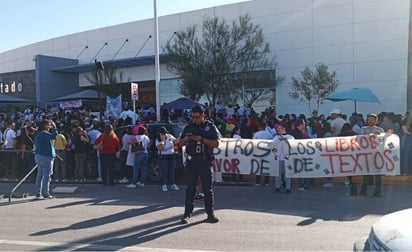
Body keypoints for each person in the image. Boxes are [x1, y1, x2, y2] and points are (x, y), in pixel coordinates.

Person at [179, 104, 220, 224]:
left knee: (207, 189)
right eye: (193, 117)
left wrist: (201, 139)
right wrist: (186, 140)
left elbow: (216, 143)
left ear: (203, 115)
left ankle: (210, 214)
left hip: (205, 160)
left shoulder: (210, 127)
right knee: (190, 189)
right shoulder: (189, 127)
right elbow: (180, 143)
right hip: (192, 161)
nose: (195, 119)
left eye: (197, 117)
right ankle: (187, 214)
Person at [359, 113, 385, 197]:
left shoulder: (380, 130)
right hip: (366, 154)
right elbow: (361, 138)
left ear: (376, 120)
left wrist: (379, 136)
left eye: (371, 119)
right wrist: (372, 136)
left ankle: (378, 191)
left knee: (378, 174)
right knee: (366, 173)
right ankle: (364, 190)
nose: (369, 121)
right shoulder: (363, 129)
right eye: (368, 119)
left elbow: (383, 140)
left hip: (377, 154)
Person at [34, 119, 57, 199]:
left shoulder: (38, 133)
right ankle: (46, 193)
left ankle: (38, 192)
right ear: (44, 125)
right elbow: (54, 136)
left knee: (39, 175)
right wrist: (55, 127)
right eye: (49, 124)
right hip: (46, 156)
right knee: (47, 175)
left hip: (38, 155)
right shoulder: (44, 133)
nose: (50, 126)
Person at [156, 126, 179, 192]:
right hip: (163, 156)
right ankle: (164, 184)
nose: (165, 135)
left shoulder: (169, 136)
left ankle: (173, 184)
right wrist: (163, 141)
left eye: (165, 133)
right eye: (163, 133)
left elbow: (175, 141)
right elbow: (160, 148)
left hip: (171, 155)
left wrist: (178, 139)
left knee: (172, 171)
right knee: (164, 171)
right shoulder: (158, 140)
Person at [273, 124, 294, 193]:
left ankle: (288, 187)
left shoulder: (290, 137)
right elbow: (272, 146)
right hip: (278, 159)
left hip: (288, 159)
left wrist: (286, 141)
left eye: (280, 128)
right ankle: (277, 187)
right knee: (278, 174)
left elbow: (293, 145)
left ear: (284, 129)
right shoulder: (275, 137)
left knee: (288, 174)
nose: (278, 130)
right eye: (278, 129)